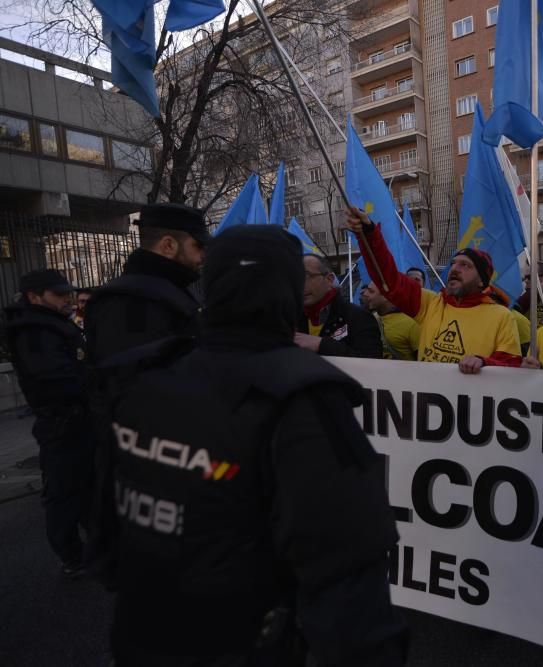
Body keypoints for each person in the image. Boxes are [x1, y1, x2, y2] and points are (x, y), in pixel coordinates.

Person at [105, 225, 407, 665]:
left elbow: (104, 528)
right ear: (283, 289)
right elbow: (348, 578)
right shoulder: (302, 400)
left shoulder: (140, 377)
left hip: (138, 636)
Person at [346, 206, 521, 373]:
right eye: (453, 264)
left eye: (465, 265)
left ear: (482, 281)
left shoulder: (501, 316)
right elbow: (388, 278)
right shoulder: (432, 303)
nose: (454, 269)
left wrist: (483, 362)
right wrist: (369, 233)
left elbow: (511, 364)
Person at [3, 270, 93, 576]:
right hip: (62, 422)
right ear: (34, 296)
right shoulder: (34, 332)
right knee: (64, 493)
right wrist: (94, 386)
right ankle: (72, 556)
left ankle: (99, 544)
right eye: (59, 294)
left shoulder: (50, 324)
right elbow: (55, 381)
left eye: (68, 292)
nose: (67, 298)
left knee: (87, 486)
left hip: (77, 419)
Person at [85, 203, 207, 364]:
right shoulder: (129, 301)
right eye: (198, 246)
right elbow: (131, 379)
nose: (203, 255)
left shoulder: (171, 289)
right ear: (168, 245)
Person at [296, 253, 381, 358]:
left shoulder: (358, 317)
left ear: (329, 279)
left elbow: (372, 363)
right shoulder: (290, 320)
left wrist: (322, 345)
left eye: (306, 276)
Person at [361, 281, 421, 361]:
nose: (365, 293)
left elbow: (423, 362)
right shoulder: (373, 318)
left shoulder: (412, 324)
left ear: (387, 296)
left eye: (371, 291)